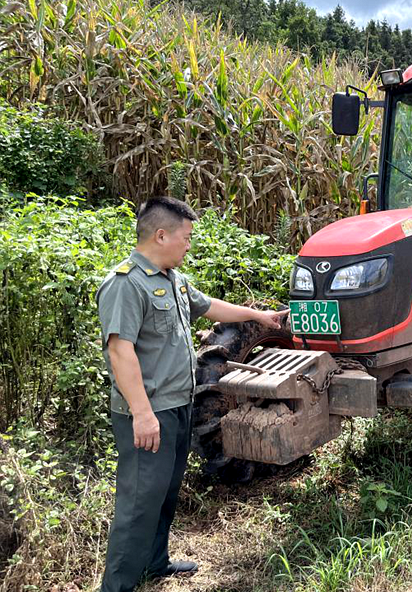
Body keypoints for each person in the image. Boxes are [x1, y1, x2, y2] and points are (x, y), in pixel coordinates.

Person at [96, 196, 288, 592]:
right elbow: (120, 351)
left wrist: (256, 316)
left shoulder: (172, 278)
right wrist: (143, 414)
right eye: (185, 237)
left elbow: (209, 307)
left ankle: (155, 562)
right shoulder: (125, 284)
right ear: (161, 234)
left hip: (178, 404)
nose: (188, 245)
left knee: (165, 491)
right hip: (149, 411)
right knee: (138, 503)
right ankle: (117, 586)